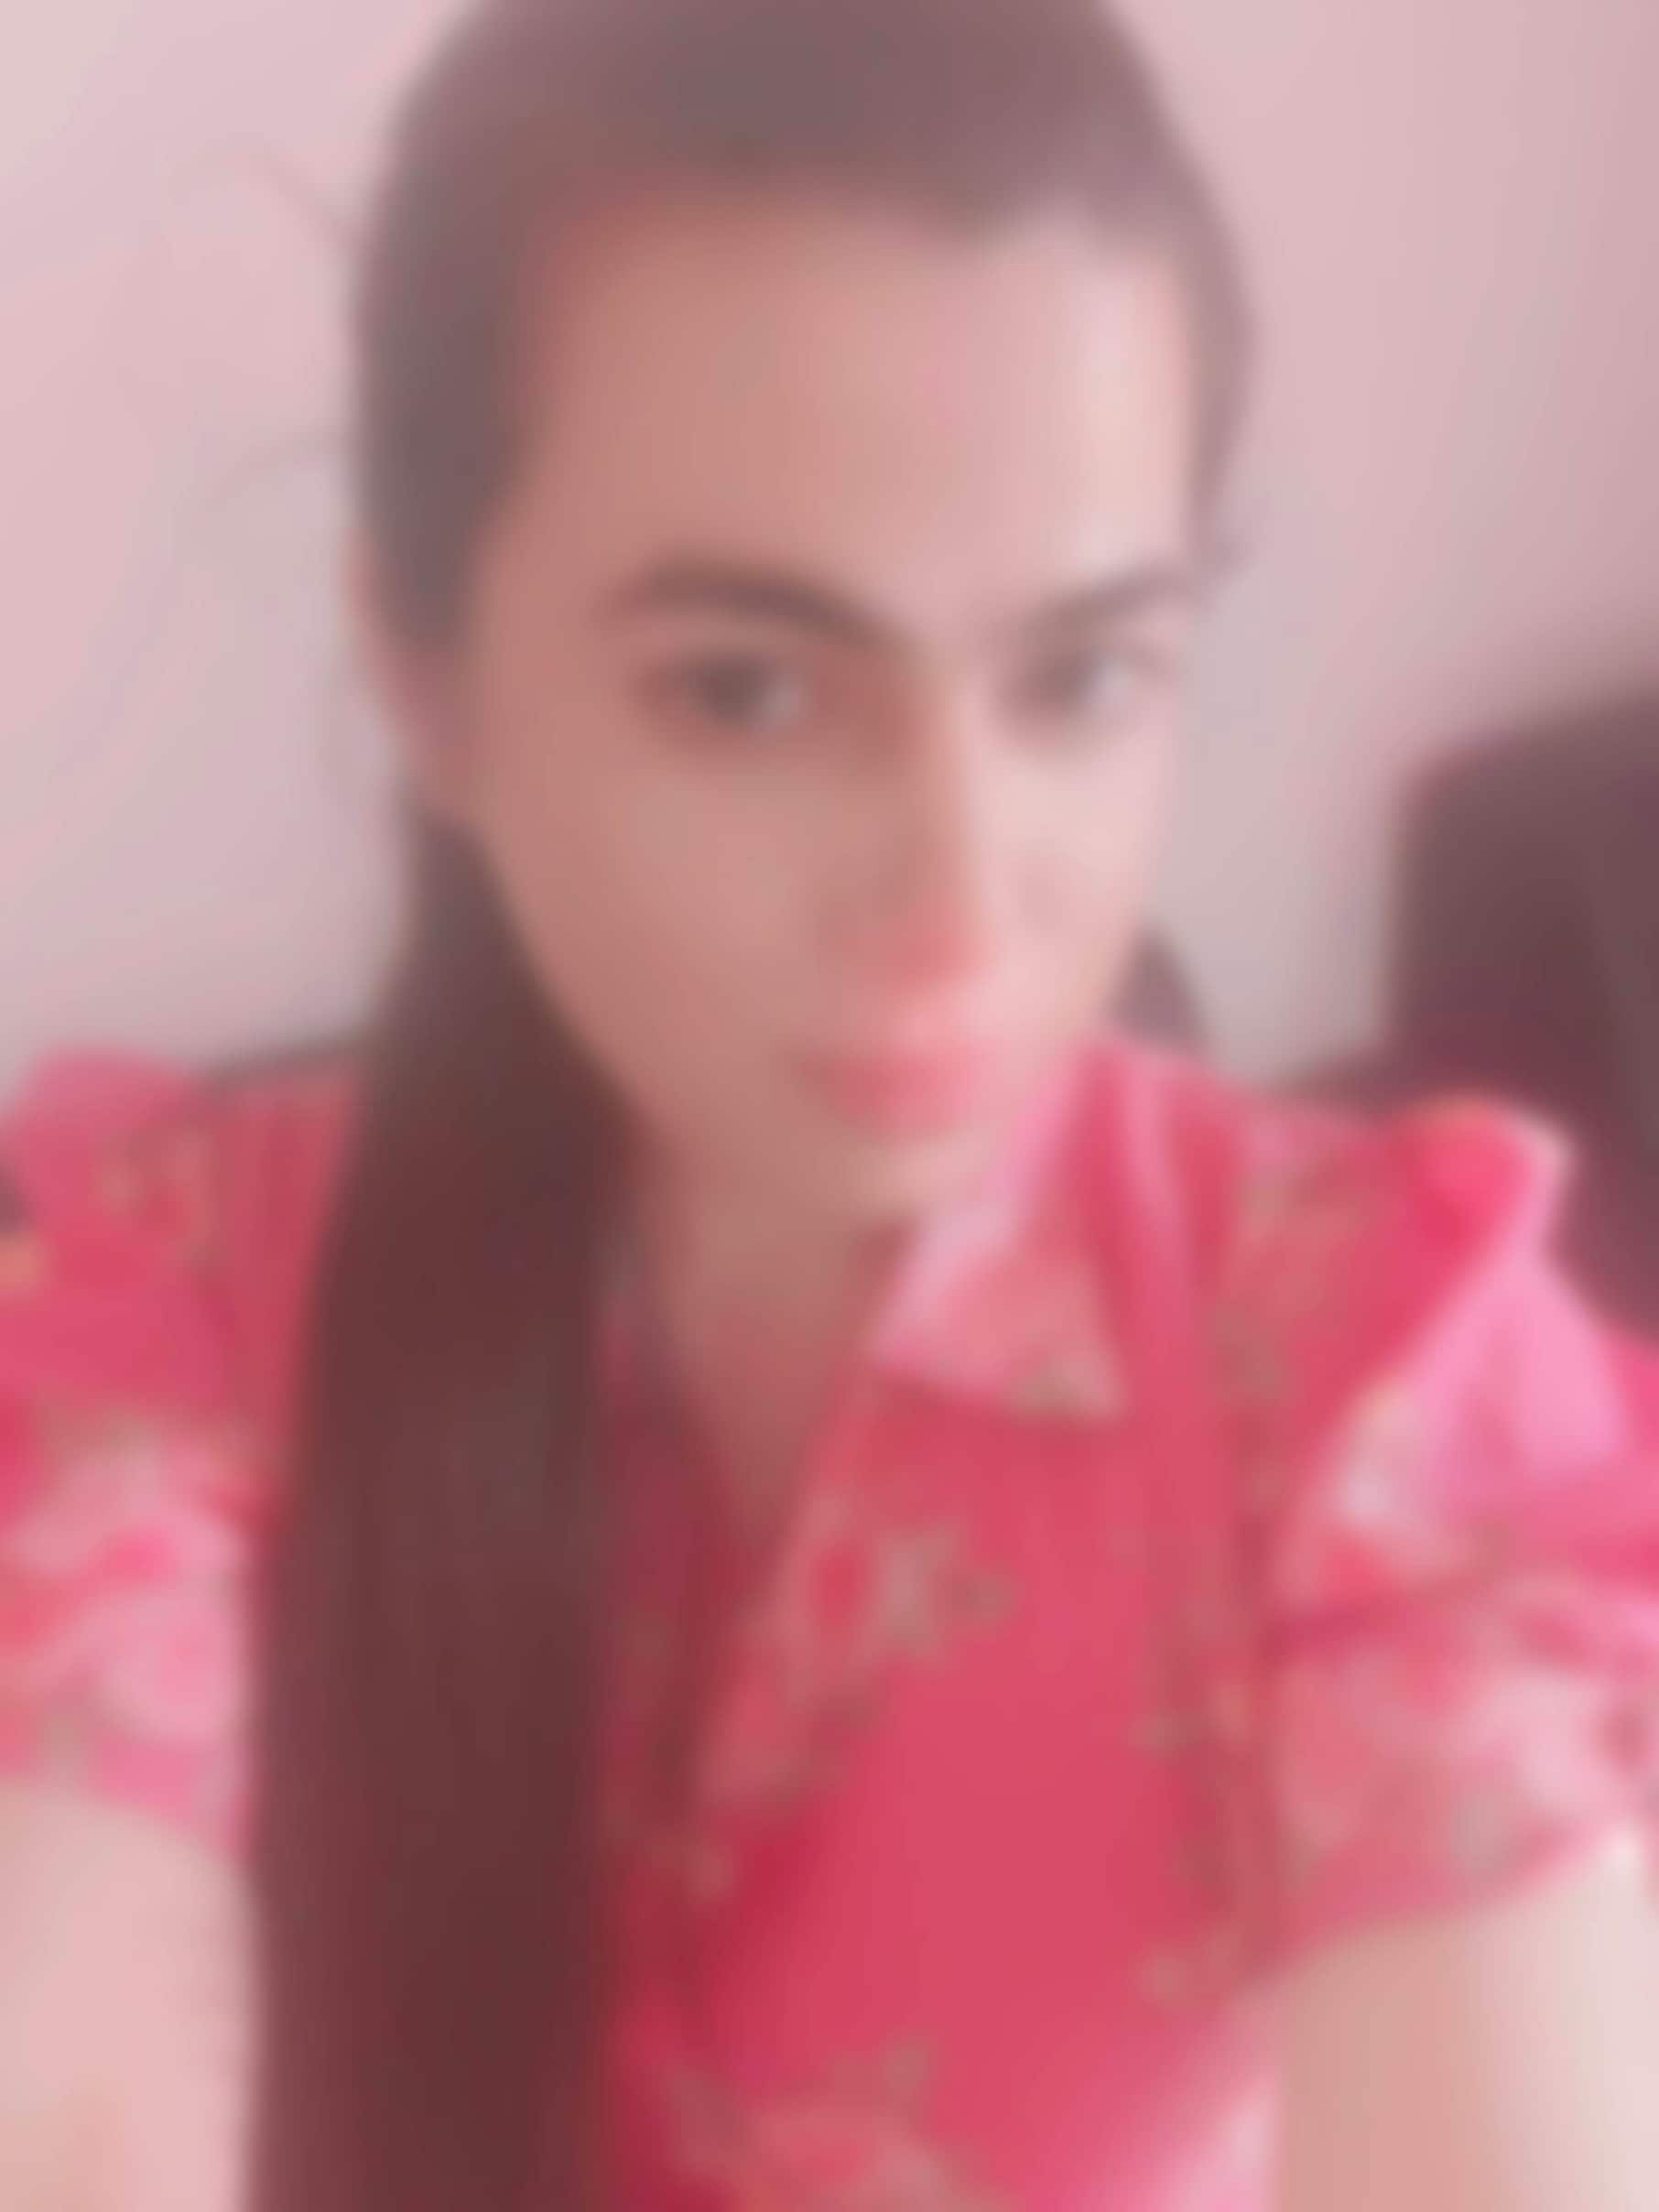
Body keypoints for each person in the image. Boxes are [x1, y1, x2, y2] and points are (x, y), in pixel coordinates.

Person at [4, 1, 1659, 2206]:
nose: (959, 906)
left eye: (1081, 677)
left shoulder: (1375, 1379)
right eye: (748, 690)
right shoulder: (183, 1302)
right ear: (429, 678)